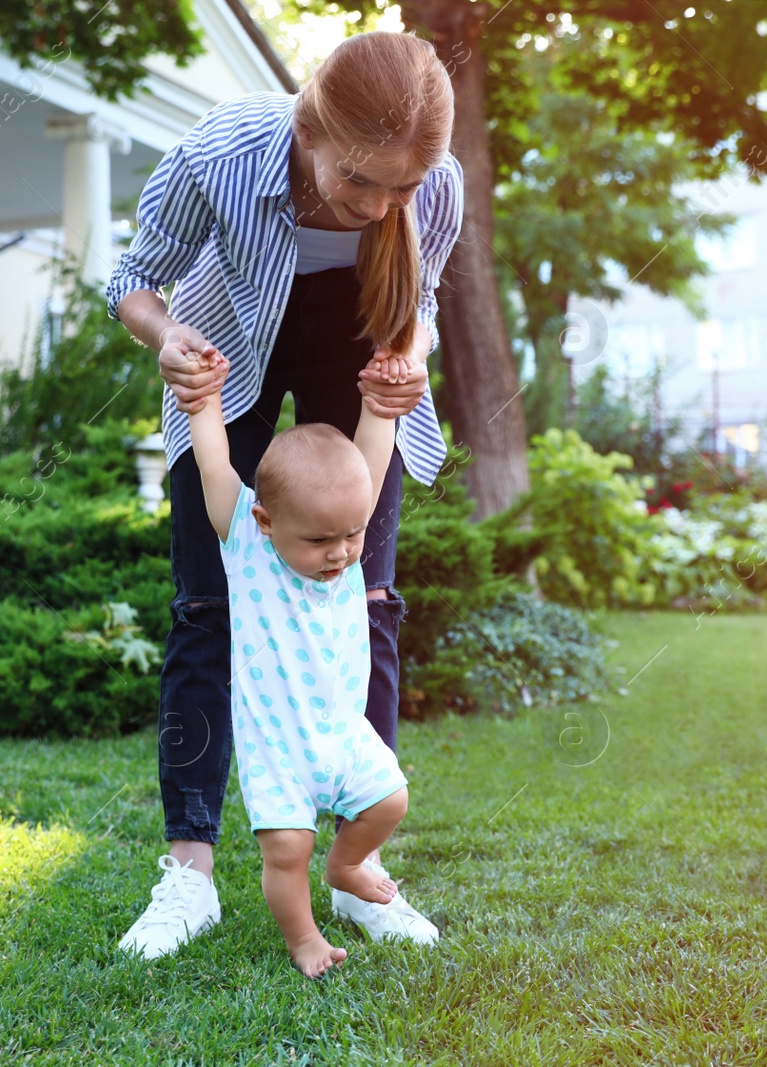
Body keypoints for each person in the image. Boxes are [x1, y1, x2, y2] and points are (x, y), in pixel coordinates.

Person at [105, 29, 463, 959]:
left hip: (358, 342)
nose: (382, 206)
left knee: (367, 592)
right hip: (227, 353)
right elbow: (133, 282)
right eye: (361, 183)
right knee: (204, 605)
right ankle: (189, 873)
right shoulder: (218, 157)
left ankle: (355, 866)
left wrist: (407, 367)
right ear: (312, 129)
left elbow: (420, 304)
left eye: (403, 191)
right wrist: (170, 339)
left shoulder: (439, 185)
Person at [184, 344, 411, 976]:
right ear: (264, 520)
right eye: (318, 540)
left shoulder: (342, 547)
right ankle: (305, 939)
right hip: (277, 748)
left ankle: (345, 865)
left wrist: (377, 402)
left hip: (342, 734)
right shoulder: (245, 546)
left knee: (390, 799)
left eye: (352, 535)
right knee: (286, 850)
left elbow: (372, 456)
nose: (340, 554)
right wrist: (204, 403)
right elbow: (214, 468)